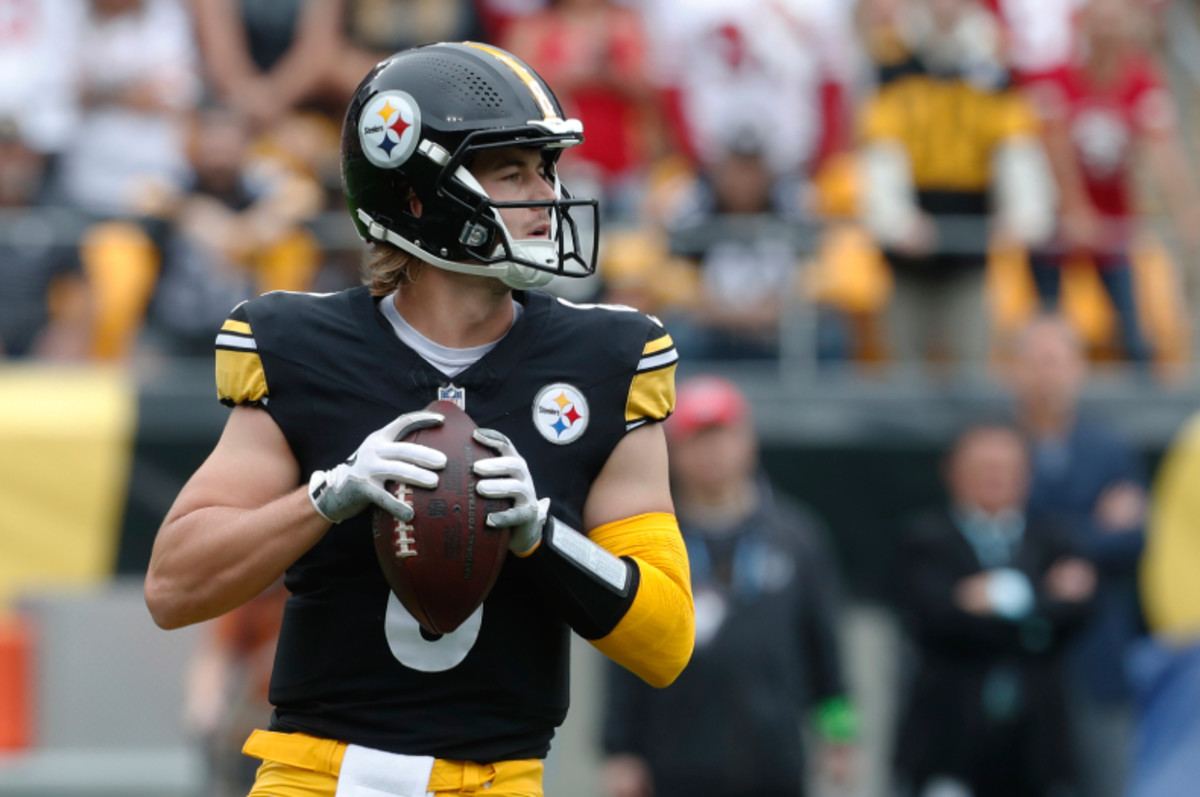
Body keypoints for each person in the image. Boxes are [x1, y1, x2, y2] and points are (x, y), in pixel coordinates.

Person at [144, 42, 695, 797]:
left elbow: (668, 641)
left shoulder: (607, 356)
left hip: (495, 779)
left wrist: (543, 537)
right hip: (314, 771)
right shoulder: (301, 348)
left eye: (546, 168)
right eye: (513, 171)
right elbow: (172, 585)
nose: (547, 194)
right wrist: (324, 498)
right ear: (416, 197)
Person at [602, 375, 857, 797]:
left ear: (748, 442)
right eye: (698, 441)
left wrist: (840, 736)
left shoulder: (797, 535)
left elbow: (825, 646)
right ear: (675, 452)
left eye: (722, 438)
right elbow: (625, 654)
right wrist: (619, 750)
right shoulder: (653, 540)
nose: (712, 454)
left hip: (774, 760)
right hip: (676, 763)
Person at [892, 422, 1096, 797]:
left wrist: (1001, 596)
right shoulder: (926, 540)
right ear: (953, 473)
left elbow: (1077, 613)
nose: (995, 477)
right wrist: (1037, 607)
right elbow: (937, 617)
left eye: (1006, 468)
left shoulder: (1054, 539)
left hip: (1039, 752)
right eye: (983, 467)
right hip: (949, 748)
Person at [858, 0, 1055, 368]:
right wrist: (895, 219)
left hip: (970, 242)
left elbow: (1014, 143)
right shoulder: (892, 52)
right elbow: (879, 145)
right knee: (903, 366)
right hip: (907, 252)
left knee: (973, 363)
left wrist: (1023, 214)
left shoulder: (993, 56)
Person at [1009, 314, 1148, 797]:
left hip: (1096, 660)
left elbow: (1133, 540)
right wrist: (1091, 533)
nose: (1048, 373)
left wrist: (1058, 543)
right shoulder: (997, 447)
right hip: (1014, 658)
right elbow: (998, 534)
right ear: (1016, 369)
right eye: (1037, 360)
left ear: (1079, 369)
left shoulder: (1109, 448)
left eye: (1058, 360)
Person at [1022, 0, 1200, 363]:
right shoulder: (1056, 79)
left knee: (1133, 328)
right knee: (1048, 319)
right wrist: (1074, 209)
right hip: (1056, 225)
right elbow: (1053, 148)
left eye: (1115, 22)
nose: (1108, 32)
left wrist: (1188, 209)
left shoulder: (1141, 81)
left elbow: (1165, 151)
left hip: (1113, 223)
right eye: (1101, 22)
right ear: (1083, 25)